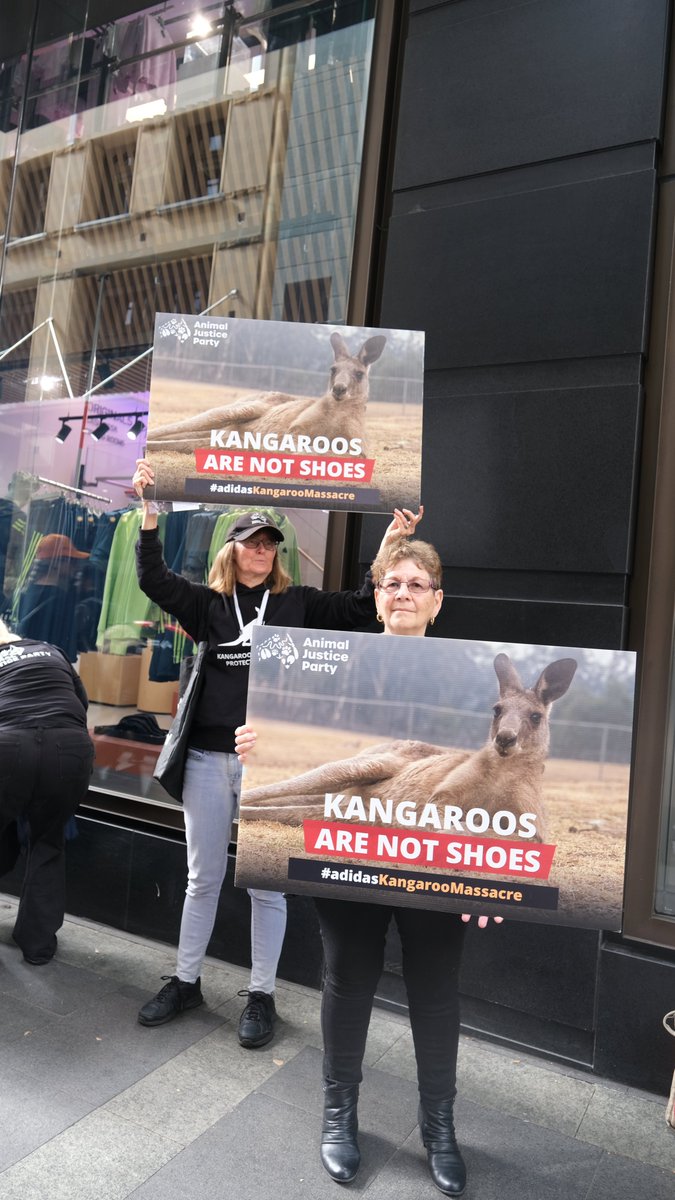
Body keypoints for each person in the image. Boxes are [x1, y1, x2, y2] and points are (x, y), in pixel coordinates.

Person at [236, 536, 502, 1196]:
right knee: (347, 978)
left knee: (435, 990)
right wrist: (256, 747)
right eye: (391, 583)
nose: (403, 593)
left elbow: (494, 777)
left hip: (432, 852)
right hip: (347, 847)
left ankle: (439, 1126)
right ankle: (339, 1115)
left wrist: (498, 873)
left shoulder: (473, 679)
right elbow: (296, 740)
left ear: (436, 602)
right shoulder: (331, 665)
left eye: (416, 584)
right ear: (376, 598)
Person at [132, 455, 421, 1047]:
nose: (260, 551)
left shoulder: (297, 606)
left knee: (267, 883)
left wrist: (389, 546)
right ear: (231, 550)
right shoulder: (208, 606)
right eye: (250, 542)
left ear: (276, 552)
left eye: (269, 543)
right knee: (202, 878)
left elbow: (361, 606)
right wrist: (148, 515)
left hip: (270, 769)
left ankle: (261, 993)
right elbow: (153, 580)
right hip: (210, 763)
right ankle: (185, 981)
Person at [0, 617, 94, 965]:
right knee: (47, 842)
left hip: (9, 746)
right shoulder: (49, 650)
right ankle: (37, 944)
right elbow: (80, 703)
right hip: (69, 749)